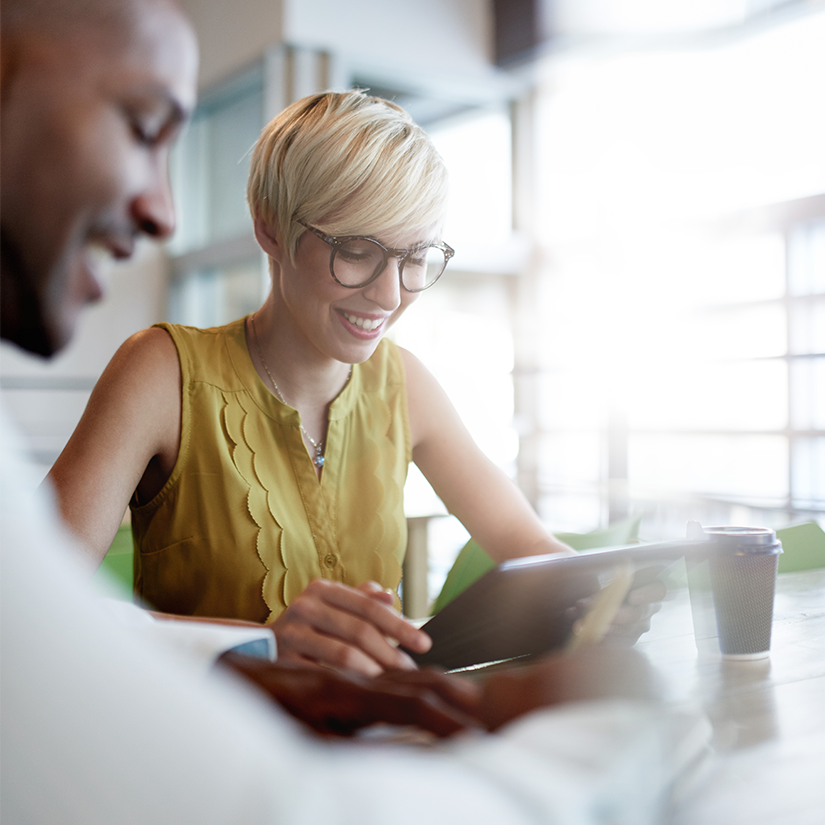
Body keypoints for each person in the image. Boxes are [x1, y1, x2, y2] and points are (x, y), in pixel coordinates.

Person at [47, 89, 662, 675]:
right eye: (358, 251)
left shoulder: (404, 384)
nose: (390, 294)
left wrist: (599, 594)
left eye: (415, 257)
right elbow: (29, 606)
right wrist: (256, 646)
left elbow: (527, 545)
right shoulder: (160, 374)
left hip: (370, 749)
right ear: (269, 228)